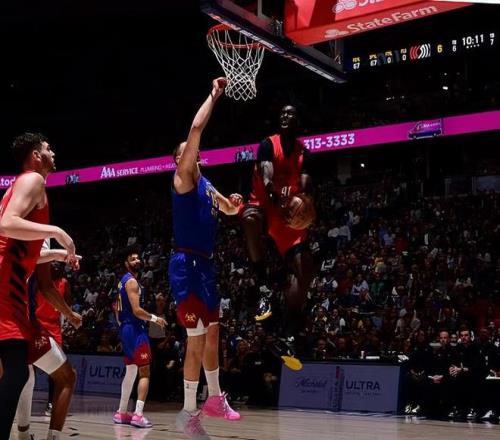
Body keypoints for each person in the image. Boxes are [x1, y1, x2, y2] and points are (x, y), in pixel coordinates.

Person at [169, 77, 242, 439]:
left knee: (214, 334)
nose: (193, 151)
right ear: (178, 159)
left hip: (207, 265)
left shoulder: (206, 184)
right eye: (187, 150)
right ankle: (187, 413)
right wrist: (214, 94)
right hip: (186, 266)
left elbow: (227, 209)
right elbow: (196, 128)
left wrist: (235, 205)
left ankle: (214, 398)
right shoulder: (183, 177)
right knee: (196, 340)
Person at [0, 132, 77, 439]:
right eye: (48, 148)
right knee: (17, 371)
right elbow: (6, 224)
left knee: (18, 371)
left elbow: (15, 246)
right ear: (35, 155)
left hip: (12, 287)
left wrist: (56, 254)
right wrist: (57, 231)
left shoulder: (20, 187)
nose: (53, 152)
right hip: (7, 288)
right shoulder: (33, 180)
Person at [240, 105, 314, 370]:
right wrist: (275, 195)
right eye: (282, 113)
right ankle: (263, 288)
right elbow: (267, 175)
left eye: (290, 114)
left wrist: (304, 204)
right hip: (264, 205)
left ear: (298, 121)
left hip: (287, 213)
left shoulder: (305, 152)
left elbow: (305, 185)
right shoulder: (267, 145)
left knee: (305, 268)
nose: (285, 116)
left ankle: (289, 333)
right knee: (249, 218)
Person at [16, 251, 82, 440]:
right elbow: (46, 287)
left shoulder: (64, 282)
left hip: (23, 322)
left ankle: (23, 434)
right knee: (66, 377)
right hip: (24, 321)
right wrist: (63, 251)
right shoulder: (38, 238)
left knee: (26, 374)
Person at [113, 246, 166, 428]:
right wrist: (155, 318)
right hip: (135, 329)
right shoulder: (132, 282)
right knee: (145, 372)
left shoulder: (121, 281)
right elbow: (137, 311)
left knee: (130, 371)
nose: (137, 261)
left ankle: (121, 412)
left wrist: (122, 326)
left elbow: (116, 309)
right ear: (126, 263)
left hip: (126, 329)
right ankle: (138, 414)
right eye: (133, 259)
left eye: (138, 258)